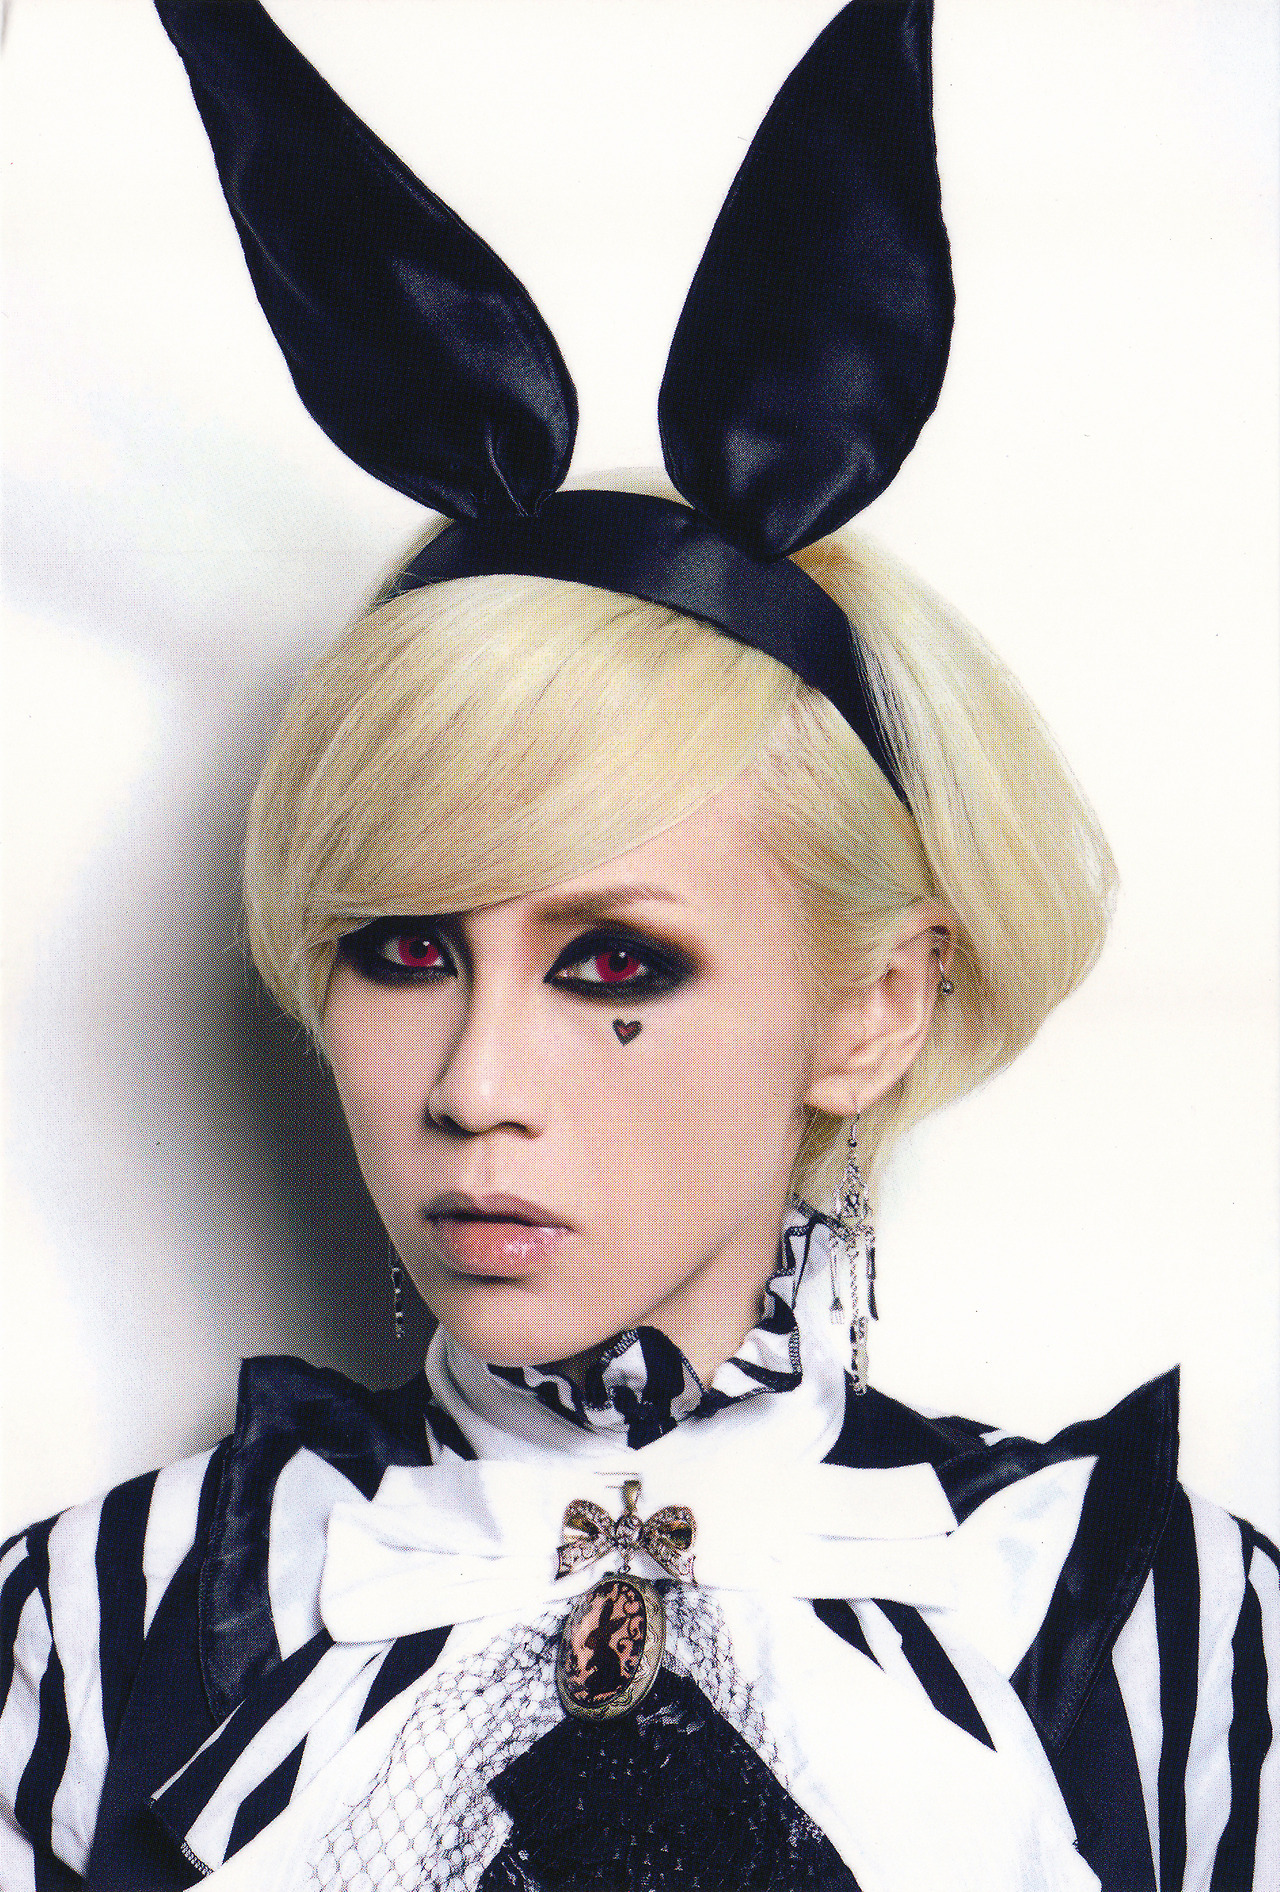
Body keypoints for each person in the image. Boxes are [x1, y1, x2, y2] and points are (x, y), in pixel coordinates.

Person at [1, 3, 1276, 1889]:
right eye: (402, 950)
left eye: (613, 965)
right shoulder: (103, 1631)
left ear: (874, 1005)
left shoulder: (1145, 1631)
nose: (472, 1089)